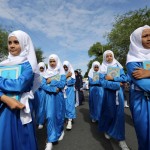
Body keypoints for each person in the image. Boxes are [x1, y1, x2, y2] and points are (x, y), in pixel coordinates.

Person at [0, 30, 39, 150]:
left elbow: (19, 85)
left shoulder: (28, 65)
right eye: (10, 42)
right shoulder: (2, 64)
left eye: (16, 42)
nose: (12, 45)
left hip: (19, 108)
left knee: (22, 141)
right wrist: (3, 97)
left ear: (24, 44)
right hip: (3, 108)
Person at [99, 50, 129, 150]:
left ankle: (121, 139)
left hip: (119, 95)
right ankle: (107, 129)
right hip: (108, 95)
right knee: (109, 114)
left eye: (110, 56)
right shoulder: (102, 69)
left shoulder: (118, 67)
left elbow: (124, 78)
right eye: (107, 56)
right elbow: (103, 83)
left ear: (113, 56)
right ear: (104, 58)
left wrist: (112, 78)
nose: (109, 58)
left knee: (119, 115)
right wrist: (117, 84)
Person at [126, 25, 150, 150]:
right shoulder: (132, 60)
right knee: (145, 137)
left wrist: (149, 73)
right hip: (141, 102)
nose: (149, 38)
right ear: (136, 39)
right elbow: (143, 84)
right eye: (145, 36)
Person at [41, 54, 66, 150]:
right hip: (49, 97)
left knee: (59, 116)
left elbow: (62, 84)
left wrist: (51, 80)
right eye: (50, 61)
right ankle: (50, 140)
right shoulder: (46, 73)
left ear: (57, 61)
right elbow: (43, 85)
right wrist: (53, 88)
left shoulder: (61, 72)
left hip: (59, 97)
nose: (52, 63)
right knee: (50, 116)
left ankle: (60, 131)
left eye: (53, 61)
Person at [63, 61, 76, 130]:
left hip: (70, 90)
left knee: (70, 104)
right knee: (64, 104)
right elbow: (59, 81)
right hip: (63, 91)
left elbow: (72, 82)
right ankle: (66, 117)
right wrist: (66, 76)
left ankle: (70, 120)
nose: (65, 68)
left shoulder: (72, 73)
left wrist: (64, 80)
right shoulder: (62, 73)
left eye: (66, 67)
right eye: (64, 67)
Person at [35, 62, 47, 129]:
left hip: (43, 92)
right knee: (36, 107)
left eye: (42, 68)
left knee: (42, 107)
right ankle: (36, 121)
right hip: (36, 92)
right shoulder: (36, 75)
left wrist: (40, 85)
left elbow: (45, 84)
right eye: (40, 68)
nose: (41, 69)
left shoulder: (46, 75)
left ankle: (41, 122)